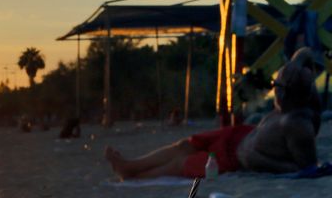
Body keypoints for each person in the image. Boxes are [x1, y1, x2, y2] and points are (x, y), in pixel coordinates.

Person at [105, 48, 320, 179]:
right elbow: (304, 53)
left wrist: (252, 158)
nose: (275, 92)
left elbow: (305, 169)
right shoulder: (287, 103)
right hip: (239, 135)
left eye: (279, 88)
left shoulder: (297, 124)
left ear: (292, 93)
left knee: (181, 163)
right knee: (184, 146)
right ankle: (131, 166)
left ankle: (136, 177)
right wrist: (299, 62)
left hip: (234, 158)